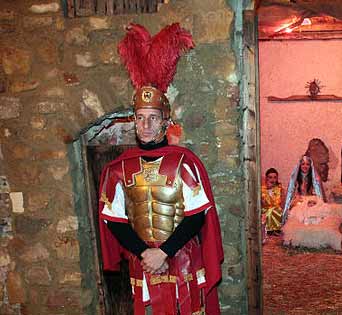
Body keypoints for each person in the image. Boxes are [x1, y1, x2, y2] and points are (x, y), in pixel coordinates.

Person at [97, 23, 223, 315]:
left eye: (153, 118)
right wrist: (146, 254)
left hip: (183, 261)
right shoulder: (118, 169)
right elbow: (114, 219)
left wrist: (164, 252)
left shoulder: (184, 163)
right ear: (134, 121)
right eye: (140, 118)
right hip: (143, 264)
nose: (146, 125)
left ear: (165, 121)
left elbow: (196, 216)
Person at [282, 155, 325, 222]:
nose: (305, 166)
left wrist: (312, 201)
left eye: (307, 164)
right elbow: (291, 194)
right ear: (299, 165)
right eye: (303, 164)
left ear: (310, 166)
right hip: (299, 201)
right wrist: (295, 202)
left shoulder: (314, 179)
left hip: (310, 201)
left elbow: (317, 194)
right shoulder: (295, 178)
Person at [261, 168, 285, 236]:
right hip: (265, 211)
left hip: (277, 211)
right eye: (270, 177)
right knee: (269, 211)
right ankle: (268, 230)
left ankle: (277, 229)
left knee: (275, 210)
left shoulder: (280, 189)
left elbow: (283, 203)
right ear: (266, 178)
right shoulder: (261, 189)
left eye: (275, 177)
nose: (272, 180)